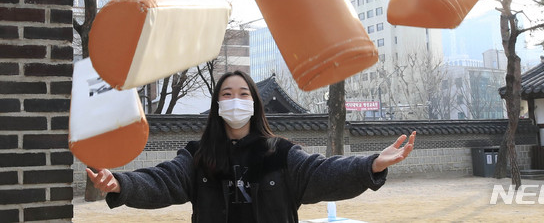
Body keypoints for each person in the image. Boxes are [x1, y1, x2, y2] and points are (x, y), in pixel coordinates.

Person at [87, 70, 416, 222]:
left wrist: (371, 163)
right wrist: (121, 183)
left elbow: (322, 172)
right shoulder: (199, 156)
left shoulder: (279, 153)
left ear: (256, 104)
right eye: (227, 94)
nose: (235, 100)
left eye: (243, 94)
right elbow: (164, 180)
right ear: (217, 105)